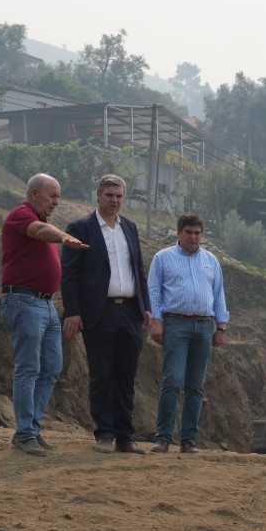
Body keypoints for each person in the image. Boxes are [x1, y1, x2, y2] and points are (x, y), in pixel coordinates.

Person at [61, 174, 151, 454]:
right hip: (100, 313)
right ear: (98, 196)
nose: (115, 200)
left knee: (126, 376)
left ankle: (126, 436)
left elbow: (139, 270)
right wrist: (73, 311)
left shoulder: (130, 228)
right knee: (102, 375)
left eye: (119, 196)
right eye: (109, 195)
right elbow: (69, 274)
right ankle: (104, 434)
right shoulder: (81, 227)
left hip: (131, 312)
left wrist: (146, 306)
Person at [0, 173, 88, 456]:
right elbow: (38, 231)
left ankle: (32, 430)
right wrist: (63, 236)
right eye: (53, 196)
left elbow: (43, 230)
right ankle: (24, 432)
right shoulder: (21, 215)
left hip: (46, 305)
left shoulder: (43, 221)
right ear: (34, 194)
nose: (57, 202)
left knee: (51, 368)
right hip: (24, 302)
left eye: (59, 196)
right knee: (29, 368)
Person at [147, 214, 229, 453]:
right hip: (175, 324)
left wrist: (221, 327)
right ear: (179, 233)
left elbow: (219, 294)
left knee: (196, 385)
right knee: (172, 380)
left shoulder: (211, 261)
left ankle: (188, 440)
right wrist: (156, 321)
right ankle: (163, 437)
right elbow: (153, 291)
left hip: (204, 326)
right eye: (188, 232)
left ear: (202, 235)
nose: (193, 237)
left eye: (197, 233)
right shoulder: (163, 258)